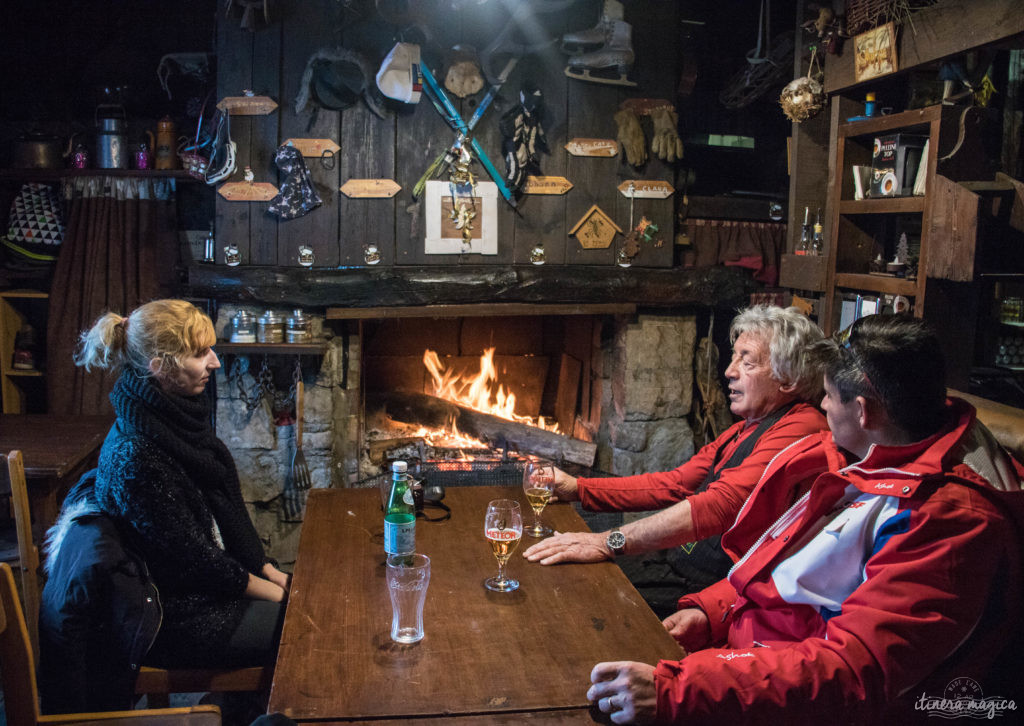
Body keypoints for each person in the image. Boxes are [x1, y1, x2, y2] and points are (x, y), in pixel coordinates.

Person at [586, 314, 1024, 724]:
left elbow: (856, 670)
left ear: (865, 411)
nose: (823, 409)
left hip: (782, 691)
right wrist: (714, 611)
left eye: (829, 397)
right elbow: (781, 565)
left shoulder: (948, 518)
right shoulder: (869, 457)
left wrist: (680, 691)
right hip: (747, 659)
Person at [41, 300, 288, 693]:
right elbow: (195, 562)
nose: (215, 363)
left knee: (304, 607)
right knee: (304, 629)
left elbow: (227, 513)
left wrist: (270, 570)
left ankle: (253, 710)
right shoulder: (137, 456)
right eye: (199, 353)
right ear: (160, 367)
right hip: (176, 617)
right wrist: (277, 595)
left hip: (201, 591)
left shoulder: (172, 419)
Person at [523, 305, 829, 615]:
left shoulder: (801, 428)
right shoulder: (745, 429)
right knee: (555, 573)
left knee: (569, 591)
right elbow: (675, 483)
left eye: (747, 361)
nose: (729, 371)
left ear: (789, 379)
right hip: (675, 563)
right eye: (734, 357)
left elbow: (719, 506)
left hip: (706, 587)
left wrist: (607, 541)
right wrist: (578, 488)